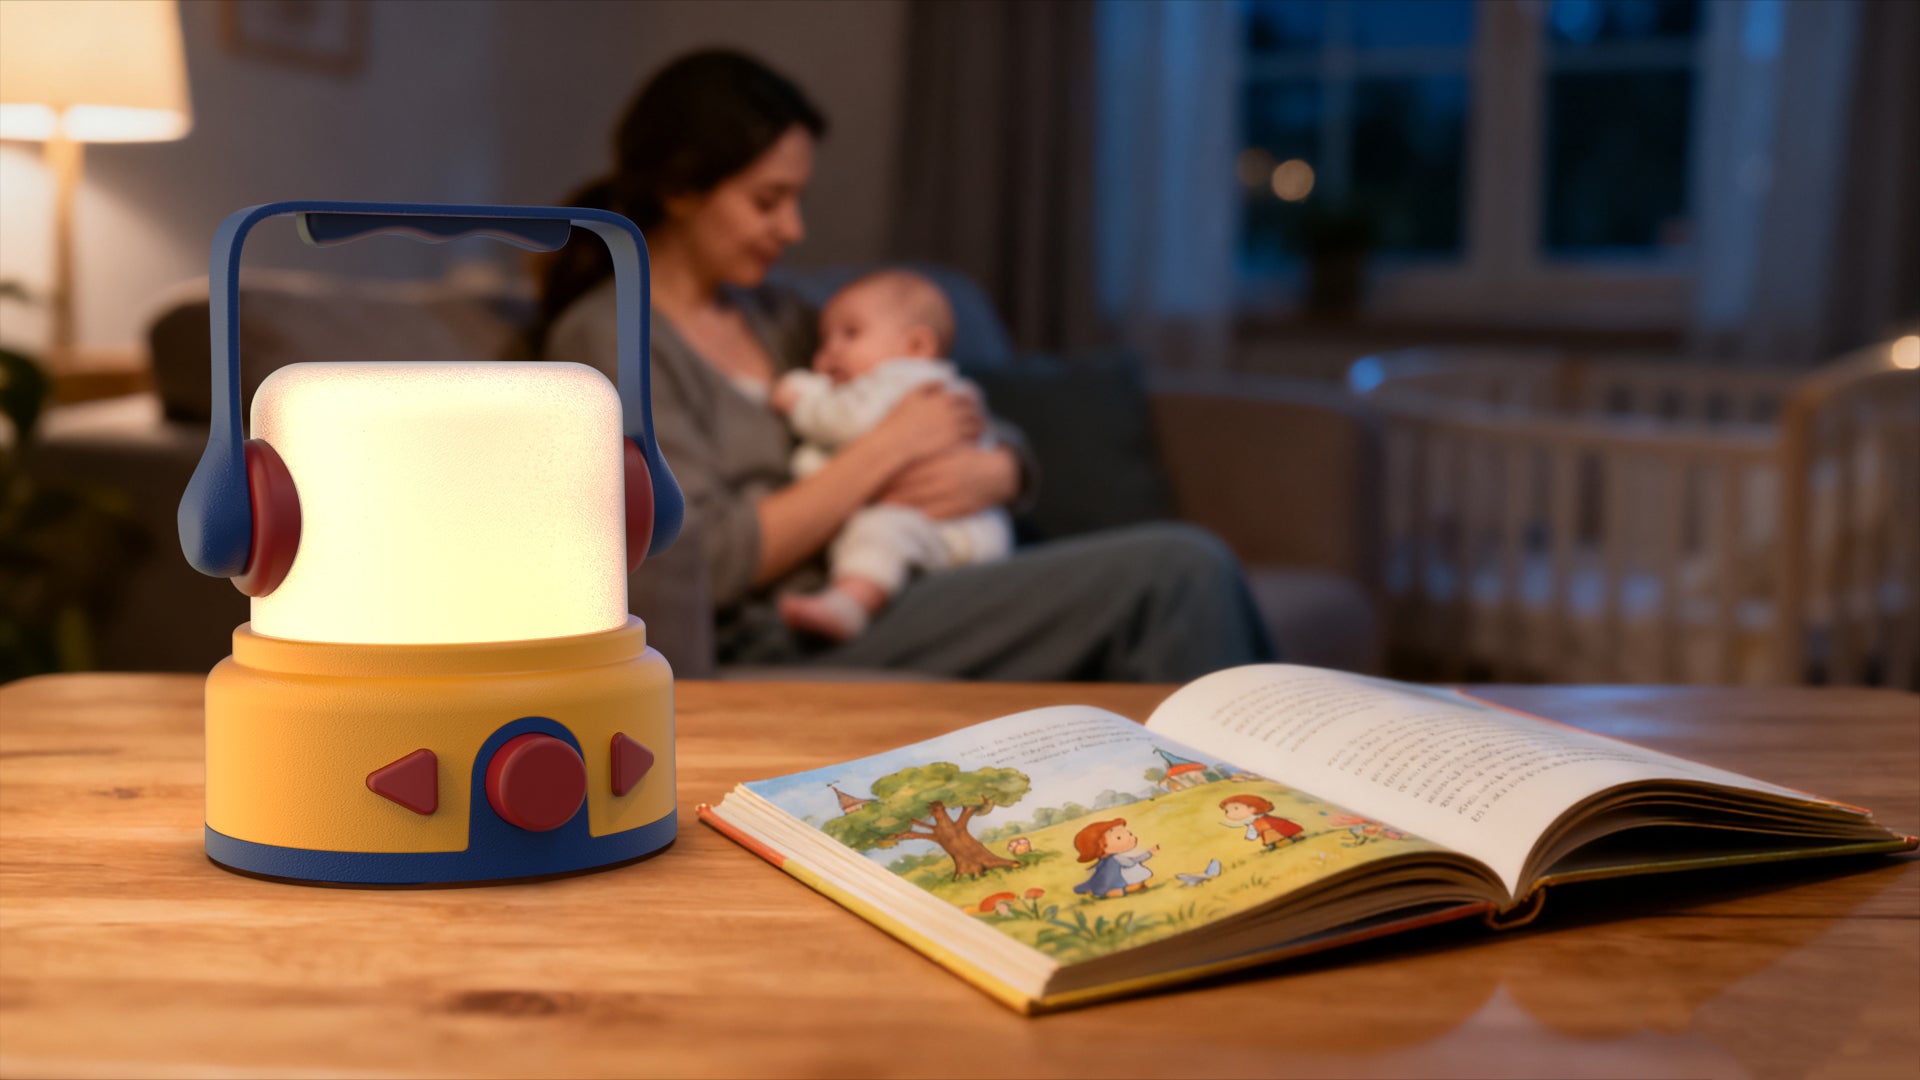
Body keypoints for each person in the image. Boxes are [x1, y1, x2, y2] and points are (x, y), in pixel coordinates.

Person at [540, 49, 1274, 680]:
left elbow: (939, 401)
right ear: (679, 188)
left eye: (798, 199)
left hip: (896, 579)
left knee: (1183, 571)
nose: (793, 229)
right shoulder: (610, 339)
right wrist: (890, 450)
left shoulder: (782, 316)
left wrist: (1003, 472)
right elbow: (697, 559)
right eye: (770, 201)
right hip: (785, 626)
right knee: (1180, 572)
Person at [773, 268, 1011, 641]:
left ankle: (850, 603)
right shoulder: (944, 385)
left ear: (917, 347)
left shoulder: (902, 380)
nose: (829, 353)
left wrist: (801, 399)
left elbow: (846, 422)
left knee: (877, 529)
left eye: (851, 334)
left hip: (943, 527)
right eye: (824, 341)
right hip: (976, 529)